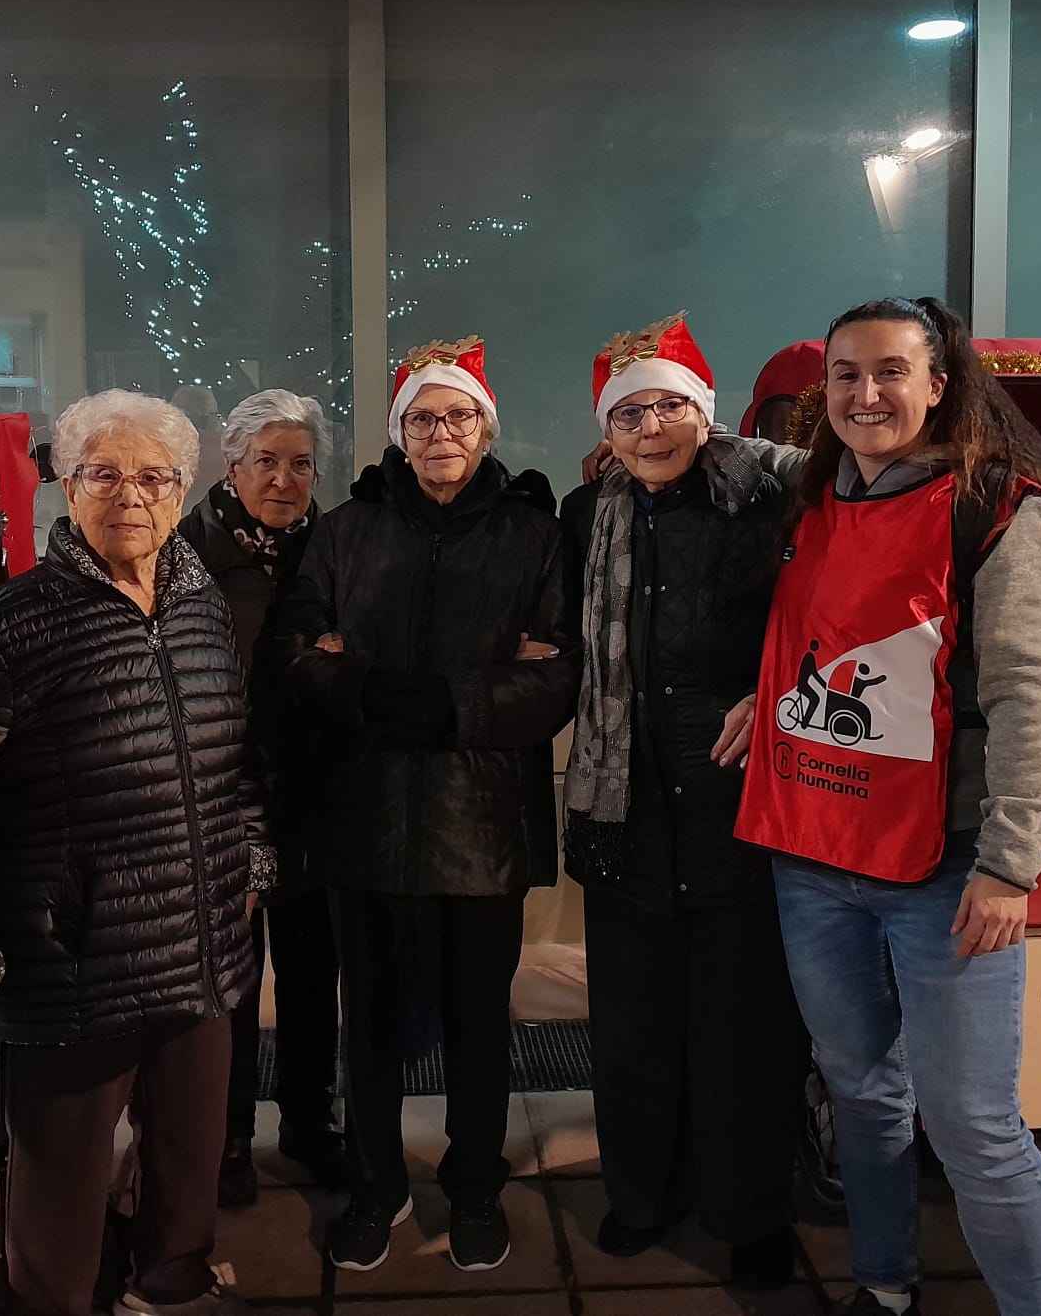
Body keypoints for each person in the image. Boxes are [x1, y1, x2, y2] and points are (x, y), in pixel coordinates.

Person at [721, 296, 1041, 1316]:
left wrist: (1013, 862)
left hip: (948, 869)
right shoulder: (813, 501)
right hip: (816, 854)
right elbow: (836, 639)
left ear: (939, 383)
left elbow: (1023, 690)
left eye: (888, 372)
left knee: (974, 1125)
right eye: (844, 374)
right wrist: (775, 700)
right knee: (863, 1092)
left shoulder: (997, 507)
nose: (864, 393)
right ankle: (885, 1284)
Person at [0, 389, 271, 1316]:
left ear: (183, 491)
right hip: (70, 959)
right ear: (68, 485)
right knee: (58, 1191)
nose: (131, 496)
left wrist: (251, 860)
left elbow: (236, 759)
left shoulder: (202, 605)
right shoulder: (9, 626)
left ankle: (172, 1291)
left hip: (203, 943)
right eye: (105, 474)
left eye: (154, 477)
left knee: (189, 1159)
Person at [274, 337, 579, 1276]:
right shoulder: (347, 530)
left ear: (485, 428)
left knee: (482, 1018)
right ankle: (376, 1185)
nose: (439, 433)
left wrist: (450, 705)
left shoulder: (534, 534)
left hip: (480, 820)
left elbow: (561, 675)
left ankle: (477, 1183)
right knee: (363, 1017)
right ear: (398, 434)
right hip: (362, 815)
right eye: (421, 418)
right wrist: (371, 693)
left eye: (457, 417)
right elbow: (294, 650)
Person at [559, 313, 810, 1289]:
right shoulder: (588, 516)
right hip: (622, 811)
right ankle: (640, 1196)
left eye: (670, 404)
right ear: (607, 429)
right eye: (629, 411)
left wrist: (780, 685)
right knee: (633, 1029)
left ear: (705, 412)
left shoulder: (770, 497)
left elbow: (832, 608)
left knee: (746, 1030)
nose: (650, 425)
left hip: (741, 799)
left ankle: (750, 1214)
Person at [176, 388, 346, 1205]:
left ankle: (310, 1123)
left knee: (315, 973)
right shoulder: (186, 553)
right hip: (217, 799)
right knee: (230, 982)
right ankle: (228, 1139)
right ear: (231, 465)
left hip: (314, 793)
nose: (284, 480)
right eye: (266, 462)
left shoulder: (333, 549)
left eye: (301, 464)